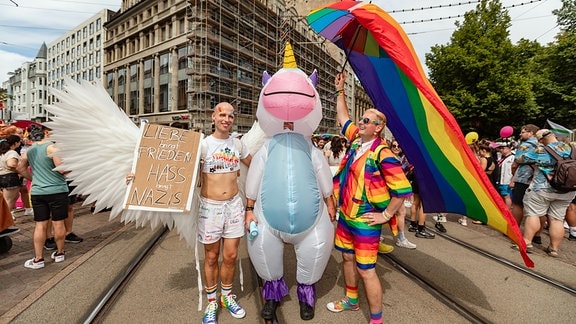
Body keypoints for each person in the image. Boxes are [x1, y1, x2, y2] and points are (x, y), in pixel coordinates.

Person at [327, 73, 412, 324]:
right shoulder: (355, 141)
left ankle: (376, 320)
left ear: (378, 127)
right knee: (346, 258)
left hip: (365, 219)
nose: (361, 122)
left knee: (366, 270)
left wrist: (385, 215)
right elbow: (343, 117)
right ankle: (352, 301)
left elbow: (402, 189)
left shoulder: (382, 152)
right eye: (361, 119)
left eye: (367, 120)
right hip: (346, 216)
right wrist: (339, 90)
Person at [198, 102, 251, 323]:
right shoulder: (202, 145)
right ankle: (212, 302)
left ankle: (227, 296)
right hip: (210, 208)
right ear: (213, 117)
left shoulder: (238, 144)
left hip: (234, 206)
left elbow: (256, 166)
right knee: (211, 257)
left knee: (230, 256)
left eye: (230, 116)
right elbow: (178, 171)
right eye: (222, 114)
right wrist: (138, 176)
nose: (226, 119)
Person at [513, 129, 576, 257]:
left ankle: (527, 242)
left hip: (542, 189)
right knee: (557, 219)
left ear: (541, 140)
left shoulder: (541, 150)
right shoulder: (572, 149)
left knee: (533, 214)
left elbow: (520, 159)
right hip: (567, 191)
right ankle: (553, 248)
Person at [19, 126, 69, 269]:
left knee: (40, 225)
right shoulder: (53, 148)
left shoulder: (29, 151)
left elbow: (20, 168)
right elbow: (62, 169)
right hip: (57, 190)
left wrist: (33, 178)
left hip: (38, 191)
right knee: (58, 222)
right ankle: (59, 253)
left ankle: (38, 259)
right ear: (46, 134)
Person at [510, 124, 543, 243]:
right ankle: (537, 235)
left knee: (518, 204)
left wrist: (513, 175)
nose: (520, 134)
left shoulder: (525, 145)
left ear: (531, 133)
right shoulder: (543, 144)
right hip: (539, 180)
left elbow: (516, 162)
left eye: (523, 132)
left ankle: (515, 231)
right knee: (539, 209)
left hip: (523, 178)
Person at [386, 139, 418, 248]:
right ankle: (401, 238)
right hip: (392, 190)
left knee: (399, 213)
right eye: (394, 146)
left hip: (397, 190)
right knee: (400, 213)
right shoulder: (391, 159)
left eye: (398, 146)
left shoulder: (401, 159)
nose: (396, 148)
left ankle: (400, 237)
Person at [0, 135, 31, 219]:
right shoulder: (12, 152)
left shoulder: (3, 152)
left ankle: (5, 220)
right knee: (9, 201)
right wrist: (19, 169)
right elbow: (11, 164)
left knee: (10, 199)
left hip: (3, 177)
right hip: (10, 178)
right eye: (19, 141)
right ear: (16, 143)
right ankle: (3, 222)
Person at [496, 142, 515, 210]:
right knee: (502, 196)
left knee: (506, 196)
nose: (501, 150)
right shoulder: (501, 158)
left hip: (507, 180)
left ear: (509, 149)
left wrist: (512, 181)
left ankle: (508, 211)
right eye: (500, 148)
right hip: (500, 180)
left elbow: (515, 170)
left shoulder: (513, 158)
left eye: (503, 148)